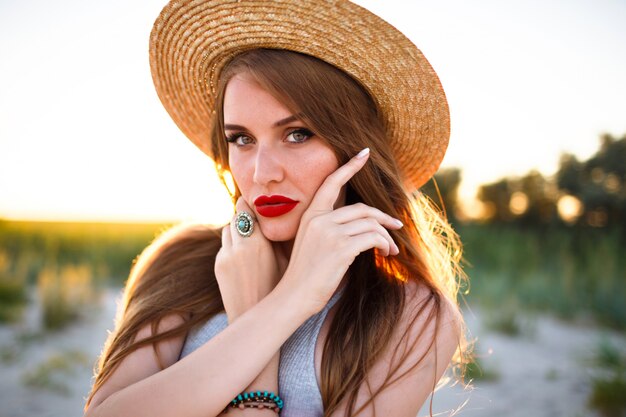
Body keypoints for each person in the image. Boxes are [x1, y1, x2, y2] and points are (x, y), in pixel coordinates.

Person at [85, 1, 469, 416]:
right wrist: (290, 298)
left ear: (356, 148)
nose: (262, 172)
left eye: (298, 134)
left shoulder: (410, 315)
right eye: (242, 139)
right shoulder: (182, 261)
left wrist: (274, 305)